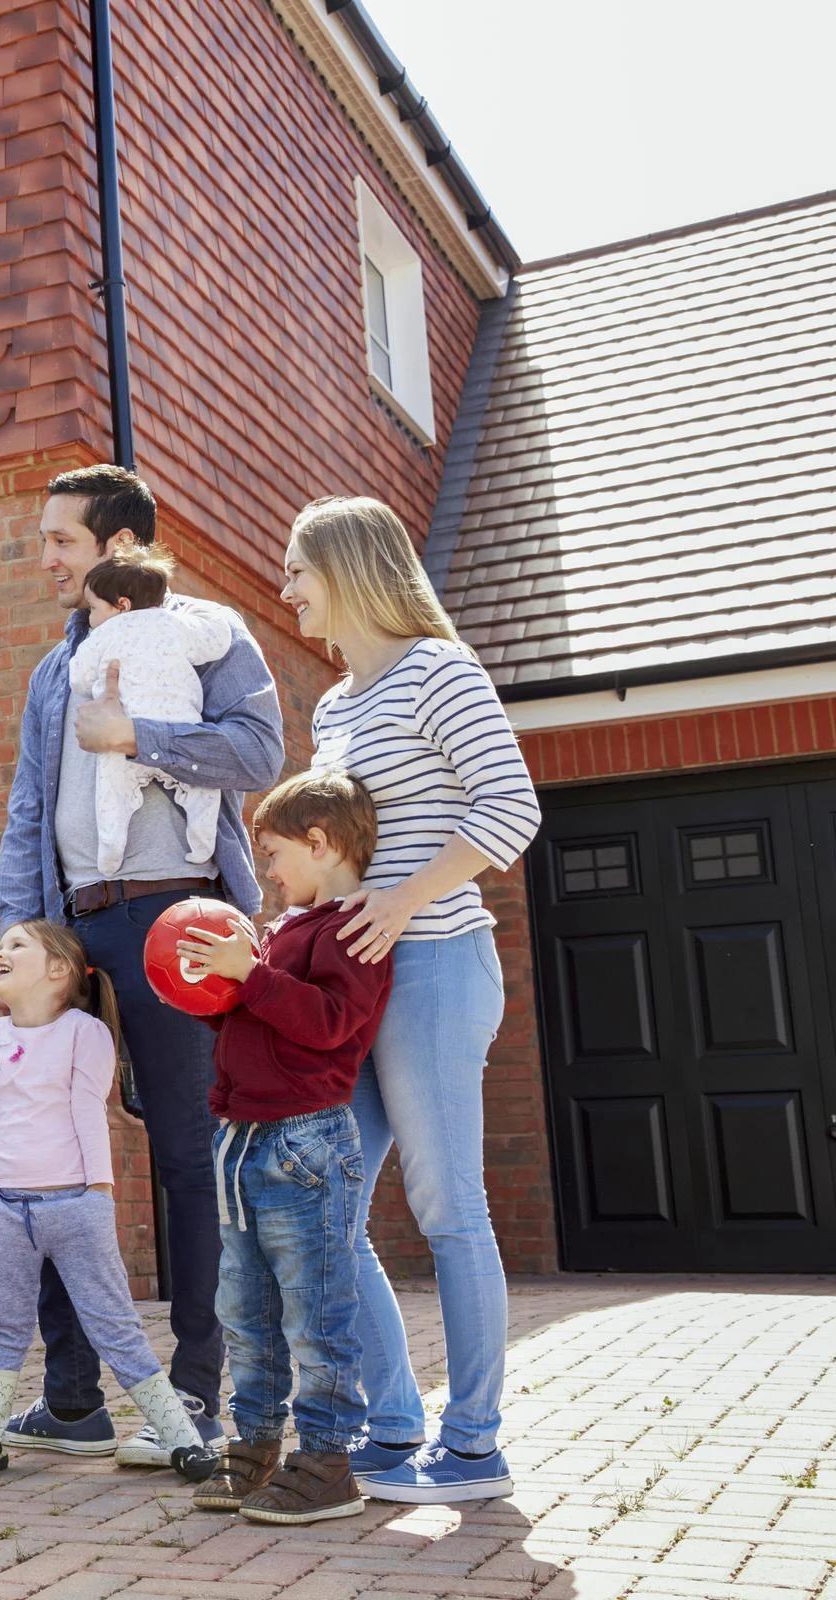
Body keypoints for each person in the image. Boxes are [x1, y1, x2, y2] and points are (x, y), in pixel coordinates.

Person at [0, 464, 286, 1467]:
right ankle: (72, 1396)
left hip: (176, 915)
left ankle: (203, 1388)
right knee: (53, 1161)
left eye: (61, 542)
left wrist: (141, 734)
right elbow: (30, 808)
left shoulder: (209, 635)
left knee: (185, 1156)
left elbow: (259, 752)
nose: (45, 560)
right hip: (73, 931)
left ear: (115, 549)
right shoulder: (50, 671)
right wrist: (21, 938)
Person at [280, 496, 541, 1505]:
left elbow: (508, 807)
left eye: (300, 568)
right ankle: (394, 1423)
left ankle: (472, 1441)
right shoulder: (334, 706)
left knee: (447, 1206)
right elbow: (343, 852)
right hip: (357, 981)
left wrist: (399, 900)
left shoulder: (442, 669)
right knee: (326, 1209)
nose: (289, 587)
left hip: (435, 965)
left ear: (347, 569)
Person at [175, 768, 392, 1524]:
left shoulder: (355, 929)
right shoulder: (280, 932)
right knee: (246, 1308)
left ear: (320, 841)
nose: (266, 870)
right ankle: (255, 1444)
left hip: (305, 1142)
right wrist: (217, 991)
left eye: (272, 854)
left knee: (313, 1310)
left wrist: (253, 977)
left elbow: (331, 1023)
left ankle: (329, 1458)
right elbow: (253, 1023)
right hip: (239, 1140)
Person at [0, 920, 212, 1484]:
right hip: (2, 1209)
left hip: (74, 1205)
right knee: (3, 1324)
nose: (0, 951)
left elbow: (88, 1113)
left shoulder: (83, 1033)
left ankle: (183, 1441)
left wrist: (100, 1193)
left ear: (59, 970)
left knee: (115, 1325)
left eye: (17, 944)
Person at [71, 548, 236, 874]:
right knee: (203, 792)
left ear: (122, 605)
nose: (90, 618)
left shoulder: (104, 633)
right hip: (180, 734)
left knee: (112, 796)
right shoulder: (176, 623)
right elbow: (217, 640)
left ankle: (110, 851)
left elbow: (78, 677)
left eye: (93, 608)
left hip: (122, 740)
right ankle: (201, 844)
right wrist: (217, 614)